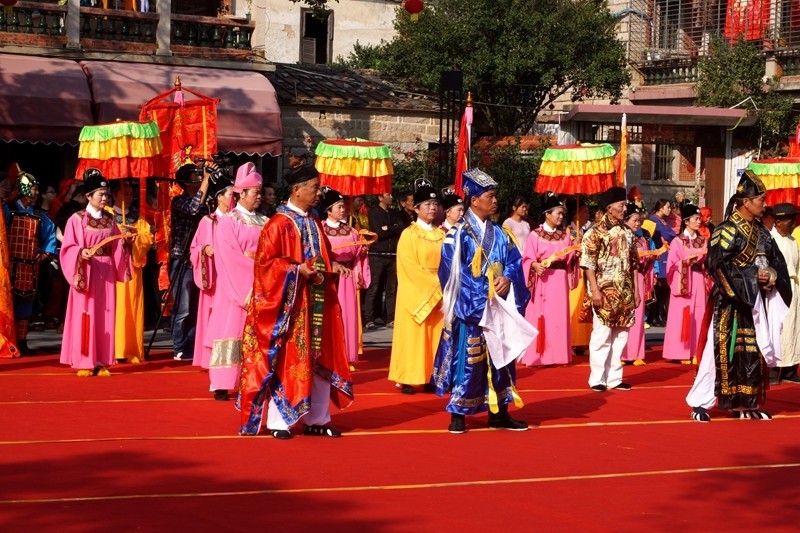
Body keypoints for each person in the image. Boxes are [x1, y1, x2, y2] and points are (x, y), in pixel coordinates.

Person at [238, 166, 353, 439]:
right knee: (288, 359)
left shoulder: (313, 221)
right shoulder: (278, 223)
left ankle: (318, 419)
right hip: (290, 308)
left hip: (318, 303)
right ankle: (280, 422)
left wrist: (332, 265)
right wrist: (295, 269)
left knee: (319, 358)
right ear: (296, 190)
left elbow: (322, 255)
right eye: (314, 187)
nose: (318, 193)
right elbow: (265, 265)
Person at [686, 170, 791, 422]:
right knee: (720, 352)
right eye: (761, 200)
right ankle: (700, 403)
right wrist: (753, 280)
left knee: (752, 353)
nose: (765, 205)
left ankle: (745, 403)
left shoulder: (763, 233)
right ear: (746, 202)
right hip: (730, 303)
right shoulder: (726, 231)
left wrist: (771, 278)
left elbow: (777, 263)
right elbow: (716, 266)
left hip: (755, 304)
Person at [432, 169, 530, 434]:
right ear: (474, 200)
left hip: (498, 306)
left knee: (502, 358)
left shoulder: (500, 233)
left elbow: (514, 262)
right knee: (467, 359)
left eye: (496, 196)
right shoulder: (458, 234)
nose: (495, 201)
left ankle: (499, 412)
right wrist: (482, 294)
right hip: (473, 308)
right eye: (490, 196)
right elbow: (452, 275)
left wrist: (508, 279)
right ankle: (458, 415)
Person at [59, 169, 133, 376]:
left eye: (106, 194)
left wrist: (126, 242)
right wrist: (80, 252)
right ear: (88, 196)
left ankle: (101, 360)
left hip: (106, 271)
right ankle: (84, 360)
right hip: (86, 270)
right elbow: (68, 247)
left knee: (105, 313)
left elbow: (117, 246)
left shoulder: (111, 220)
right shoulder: (77, 219)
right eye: (100, 194)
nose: (104, 197)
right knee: (86, 313)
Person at [205, 163, 267, 401]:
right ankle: (223, 382)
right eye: (256, 193)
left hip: (261, 283)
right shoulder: (228, 221)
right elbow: (228, 255)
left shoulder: (265, 221)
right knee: (231, 330)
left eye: (260, 192)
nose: (259, 197)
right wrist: (254, 275)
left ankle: (252, 378)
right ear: (242, 193)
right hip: (235, 286)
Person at [580, 186, 640, 392]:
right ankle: (597, 378)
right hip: (604, 291)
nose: (624, 209)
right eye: (621, 205)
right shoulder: (594, 233)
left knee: (621, 335)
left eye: (624, 205)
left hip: (625, 291)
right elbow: (588, 264)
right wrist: (594, 290)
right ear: (609, 207)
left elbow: (634, 263)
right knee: (602, 335)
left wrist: (637, 291)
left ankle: (614, 377)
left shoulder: (628, 233)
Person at [389, 180, 445, 394]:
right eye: (427, 204)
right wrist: (437, 284)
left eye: (435, 204)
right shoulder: (408, 235)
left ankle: (432, 374)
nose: (432, 208)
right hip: (417, 292)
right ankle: (407, 377)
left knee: (435, 335)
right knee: (414, 335)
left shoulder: (442, 235)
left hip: (438, 293)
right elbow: (408, 267)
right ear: (416, 208)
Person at [3, 168, 58, 355]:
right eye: (34, 188)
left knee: (26, 303)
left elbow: (49, 235)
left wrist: (45, 252)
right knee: (6, 303)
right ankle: (6, 341)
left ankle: (23, 341)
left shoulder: (40, 215)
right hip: (9, 264)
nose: (36, 192)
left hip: (29, 265)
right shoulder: (8, 209)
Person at [520, 192, 577, 366]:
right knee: (541, 317)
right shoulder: (535, 234)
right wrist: (534, 266)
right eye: (558, 213)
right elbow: (527, 259)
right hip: (542, 280)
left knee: (559, 318)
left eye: (562, 214)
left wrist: (575, 256)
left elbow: (569, 260)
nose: (561, 216)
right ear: (547, 214)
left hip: (559, 281)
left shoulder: (566, 236)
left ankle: (559, 355)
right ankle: (538, 356)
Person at [321, 186, 371, 370]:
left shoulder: (351, 230)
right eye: (339, 207)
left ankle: (346, 355)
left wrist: (363, 251)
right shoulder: (321, 229)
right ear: (329, 210)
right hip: (330, 277)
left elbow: (357, 252)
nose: (343, 210)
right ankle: (329, 354)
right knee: (331, 314)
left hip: (348, 277)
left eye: (343, 207)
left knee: (347, 314)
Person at [190, 176, 234, 377]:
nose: (233, 197)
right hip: (214, 277)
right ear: (219, 197)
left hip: (232, 277)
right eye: (230, 194)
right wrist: (204, 249)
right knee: (212, 315)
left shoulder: (236, 220)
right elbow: (195, 246)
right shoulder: (208, 221)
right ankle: (209, 358)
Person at [108, 180, 155, 364]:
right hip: (113, 269)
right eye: (124, 193)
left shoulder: (138, 217)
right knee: (115, 307)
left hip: (133, 269)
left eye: (130, 194)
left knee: (133, 307)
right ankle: (113, 348)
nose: (128, 197)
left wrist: (134, 237)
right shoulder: (107, 215)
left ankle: (132, 349)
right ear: (114, 195)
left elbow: (147, 239)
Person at [169, 163, 212, 361]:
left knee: (196, 307)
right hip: (182, 258)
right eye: (196, 175)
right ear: (186, 182)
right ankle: (178, 346)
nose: (200, 177)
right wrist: (205, 180)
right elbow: (194, 209)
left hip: (200, 258)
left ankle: (192, 344)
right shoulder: (178, 201)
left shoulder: (207, 201)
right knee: (183, 308)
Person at [662, 202, 710, 365]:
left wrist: (702, 260)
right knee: (682, 316)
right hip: (683, 282)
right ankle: (680, 352)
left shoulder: (703, 240)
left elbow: (707, 262)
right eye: (696, 219)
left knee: (698, 315)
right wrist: (685, 262)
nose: (698, 222)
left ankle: (696, 350)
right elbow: (671, 265)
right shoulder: (678, 241)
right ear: (687, 221)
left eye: (699, 219)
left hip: (698, 280)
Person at [364, 192, 405, 329]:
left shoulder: (395, 213)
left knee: (391, 289)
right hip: (377, 254)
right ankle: (370, 318)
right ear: (380, 197)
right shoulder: (374, 212)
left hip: (393, 254)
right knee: (374, 287)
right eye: (388, 194)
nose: (392, 197)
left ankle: (390, 318)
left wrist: (390, 228)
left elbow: (401, 229)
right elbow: (378, 233)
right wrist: (391, 228)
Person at [769, 203, 800, 384]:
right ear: (779, 221)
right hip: (777, 288)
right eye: (790, 219)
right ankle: (773, 369)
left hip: (793, 286)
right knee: (777, 328)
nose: (793, 223)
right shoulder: (770, 239)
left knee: (793, 328)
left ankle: (790, 369)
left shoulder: (793, 241)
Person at [621, 203, 655, 366]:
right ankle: (622, 352)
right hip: (622, 279)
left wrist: (650, 258)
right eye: (635, 220)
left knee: (638, 314)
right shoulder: (618, 237)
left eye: (639, 221)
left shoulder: (642, 239)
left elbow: (645, 261)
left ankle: (636, 352)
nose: (637, 224)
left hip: (639, 278)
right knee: (623, 315)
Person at [567, 199, 592, 353]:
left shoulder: (584, 232)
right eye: (584, 212)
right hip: (574, 272)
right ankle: (573, 340)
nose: (588, 215)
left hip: (586, 271)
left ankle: (584, 340)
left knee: (586, 306)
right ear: (576, 213)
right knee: (575, 305)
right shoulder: (568, 231)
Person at [647, 199, 676, 327]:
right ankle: (654, 315)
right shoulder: (654, 220)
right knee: (658, 286)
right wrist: (669, 237)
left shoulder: (665, 221)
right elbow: (665, 235)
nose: (669, 209)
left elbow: (672, 235)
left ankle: (661, 314)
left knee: (665, 287)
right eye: (668, 207)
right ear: (660, 207)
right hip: (659, 253)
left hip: (666, 253)